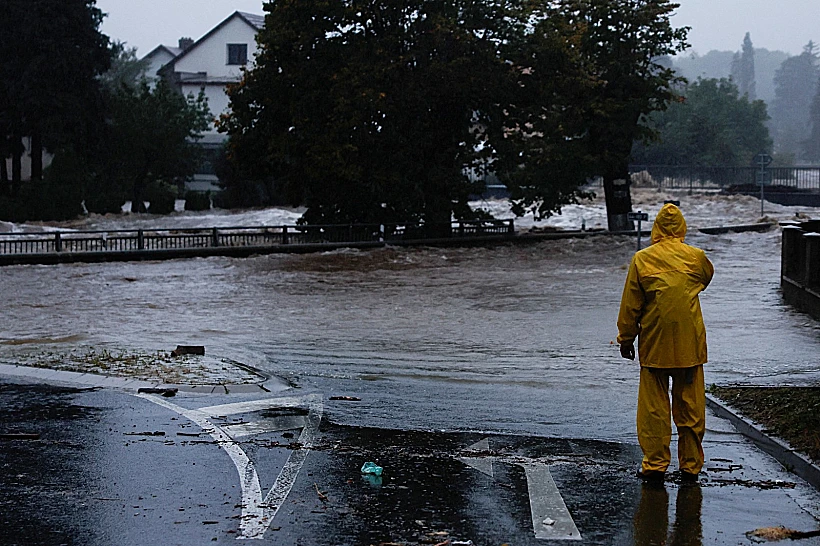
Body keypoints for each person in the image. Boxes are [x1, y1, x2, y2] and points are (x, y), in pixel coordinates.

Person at [617, 203, 714, 484]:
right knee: (691, 408)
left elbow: (630, 307)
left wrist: (626, 339)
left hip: (655, 343)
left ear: (656, 228)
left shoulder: (641, 260)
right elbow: (706, 279)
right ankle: (691, 466)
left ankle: (655, 465)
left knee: (654, 410)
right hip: (690, 344)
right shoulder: (696, 258)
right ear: (682, 227)